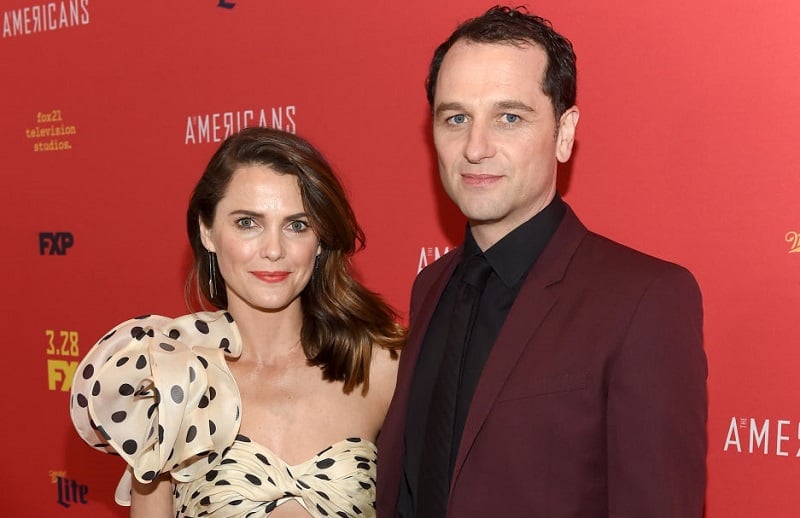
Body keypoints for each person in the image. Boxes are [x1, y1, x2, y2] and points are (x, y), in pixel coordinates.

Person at [377, 5, 707, 517]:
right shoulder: (430, 287)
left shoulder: (644, 299)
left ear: (565, 131)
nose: (476, 147)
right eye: (456, 117)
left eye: (509, 117)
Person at [70, 127, 405, 517]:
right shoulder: (173, 381)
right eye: (248, 223)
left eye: (297, 225)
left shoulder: (380, 368)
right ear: (207, 231)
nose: (274, 250)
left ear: (320, 241)